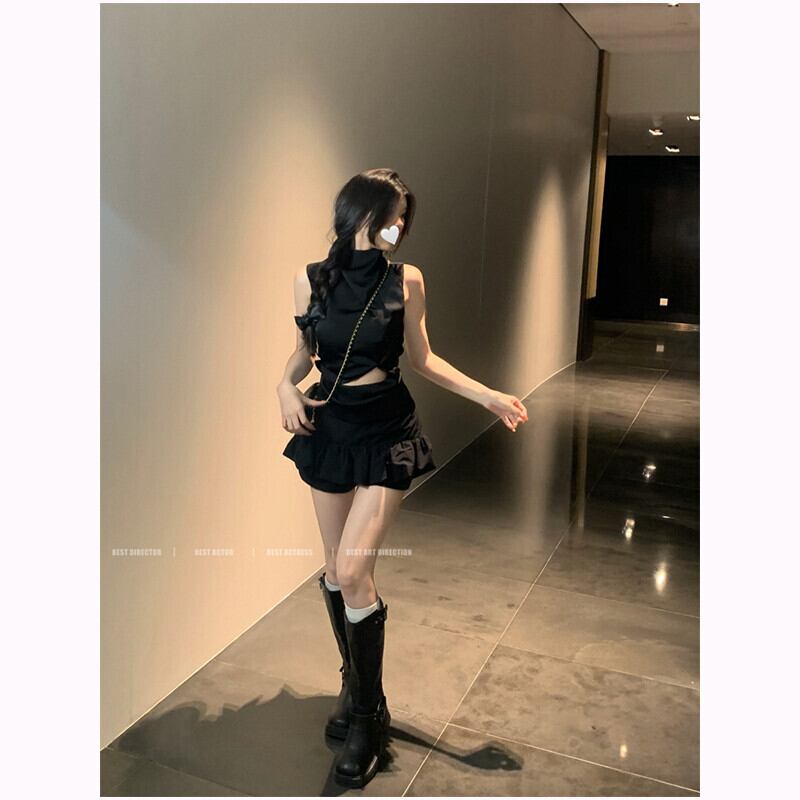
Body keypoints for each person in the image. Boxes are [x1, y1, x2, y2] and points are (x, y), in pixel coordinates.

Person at [276, 168, 528, 788]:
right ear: (361, 213)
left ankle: (368, 718)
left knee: (354, 572)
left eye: (404, 219)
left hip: (388, 428)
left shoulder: (406, 279)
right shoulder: (310, 278)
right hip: (330, 429)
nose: (400, 227)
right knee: (334, 569)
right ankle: (355, 684)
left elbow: (423, 358)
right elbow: (306, 352)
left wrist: (489, 395)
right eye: (394, 216)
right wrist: (282, 385)